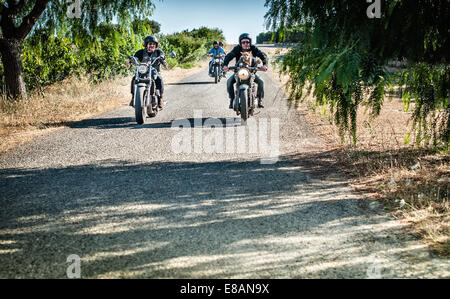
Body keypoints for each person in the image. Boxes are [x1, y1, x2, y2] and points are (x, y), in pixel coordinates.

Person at [223, 33, 268, 109]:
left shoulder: (253, 48)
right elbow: (229, 56)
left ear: (250, 42)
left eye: (247, 42)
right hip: (239, 72)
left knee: (261, 82)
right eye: (243, 42)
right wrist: (225, 65)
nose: (245, 44)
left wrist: (265, 65)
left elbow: (262, 56)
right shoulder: (237, 49)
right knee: (229, 82)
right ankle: (232, 99)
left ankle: (260, 100)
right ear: (240, 43)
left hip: (251, 72)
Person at [127, 35, 168, 109]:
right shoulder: (141, 52)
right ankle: (133, 97)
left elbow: (162, 57)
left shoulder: (158, 52)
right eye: (149, 44)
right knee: (134, 79)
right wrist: (130, 62)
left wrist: (164, 62)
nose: (151, 45)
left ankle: (160, 98)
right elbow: (135, 58)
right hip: (143, 72)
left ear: (156, 45)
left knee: (159, 79)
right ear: (146, 45)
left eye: (153, 44)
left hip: (155, 72)